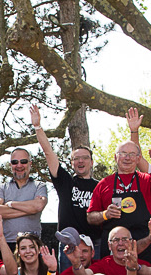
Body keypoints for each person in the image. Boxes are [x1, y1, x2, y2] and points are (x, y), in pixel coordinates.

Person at [31, 102, 101, 262]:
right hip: (69, 244)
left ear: (91, 162)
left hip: (94, 245)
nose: (81, 161)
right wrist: (37, 127)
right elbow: (48, 153)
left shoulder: (100, 186)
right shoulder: (65, 182)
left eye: (85, 158)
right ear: (71, 163)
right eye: (76, 159)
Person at [87, 124, 151, 256]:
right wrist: (105, 215)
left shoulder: (146, 179)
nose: (127, 158)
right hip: (113, 246)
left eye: (132, 154)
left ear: (138, 158)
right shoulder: (104, 184)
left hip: (144, 242)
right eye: (123, 154)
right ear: (115, 157)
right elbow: (90, 217)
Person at [0, 148, 49, 245]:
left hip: (32, 245)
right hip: (7, 244)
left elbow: (38, 206)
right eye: (15, 162)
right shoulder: (2, 188)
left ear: (30, 164)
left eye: (23, 161)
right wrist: (30, 210)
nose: (19, 165)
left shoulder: (39, 186)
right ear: (10, 165)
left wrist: (11, 204)